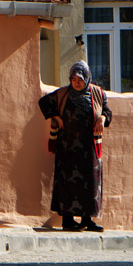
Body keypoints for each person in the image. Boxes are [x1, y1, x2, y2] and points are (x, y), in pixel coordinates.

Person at [38, 61, 112, 232]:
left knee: (90, 183)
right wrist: (56, 116)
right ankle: (68, 220)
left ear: (87, 78)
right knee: (67, 182)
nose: (77, 83)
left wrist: (102, 118)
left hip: (90, 147)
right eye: (73, 79)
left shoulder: (98, 93)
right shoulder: (63, 94)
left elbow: (107, 112)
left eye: (80, 79)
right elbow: (44, 103)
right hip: (67, 147)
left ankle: (87, 219)